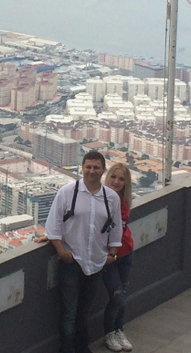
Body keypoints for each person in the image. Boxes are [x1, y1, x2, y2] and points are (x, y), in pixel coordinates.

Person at [44, 151, 123, 353]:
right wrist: (62, 252)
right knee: (69, 313)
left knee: (85, 311)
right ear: (82, 168)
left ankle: (82, 347)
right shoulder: (68, 192)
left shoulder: (111, 198)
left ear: (103, 170)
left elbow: (116, 229)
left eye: (96, 167)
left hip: (97, 262)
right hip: (73, 261)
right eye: (88, 167)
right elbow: (53, 225)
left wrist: (112, 254)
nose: (92, 171)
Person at [101, 162, 134, 352]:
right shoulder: (100, 199)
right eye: (113, 177)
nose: (116, 181)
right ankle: (109, 333)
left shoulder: (124, 201)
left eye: (121, 179)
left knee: (123, 293)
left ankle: (118, 329)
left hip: (126, 252)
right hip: (108, 256)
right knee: (118, 297)